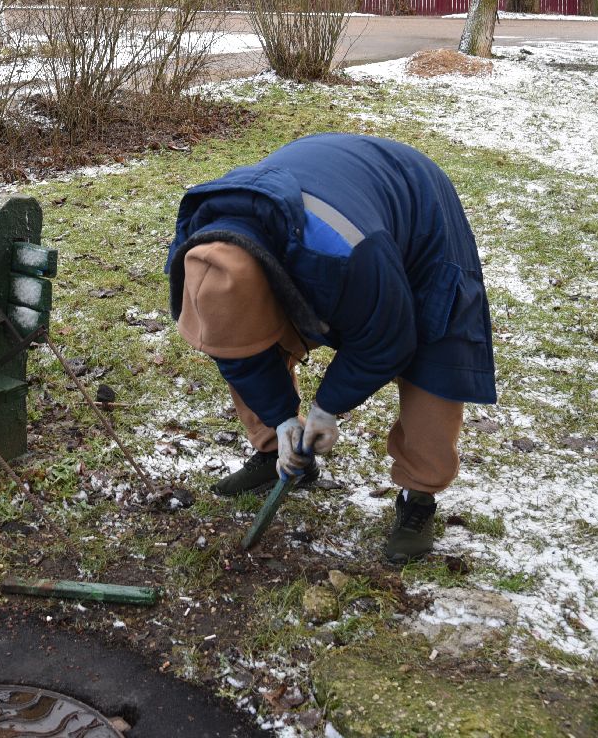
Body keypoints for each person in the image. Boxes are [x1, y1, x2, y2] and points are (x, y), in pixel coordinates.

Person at [166, 132, 496, 562]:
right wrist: (282, 419)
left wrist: (327, 407)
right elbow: (237, 354)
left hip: (414, 207)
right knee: (241, 339)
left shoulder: (350, 253)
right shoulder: (198, 251)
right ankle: (274, 454)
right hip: (310, 222)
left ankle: (419, 494)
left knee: (435, 352)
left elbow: (387, 342)